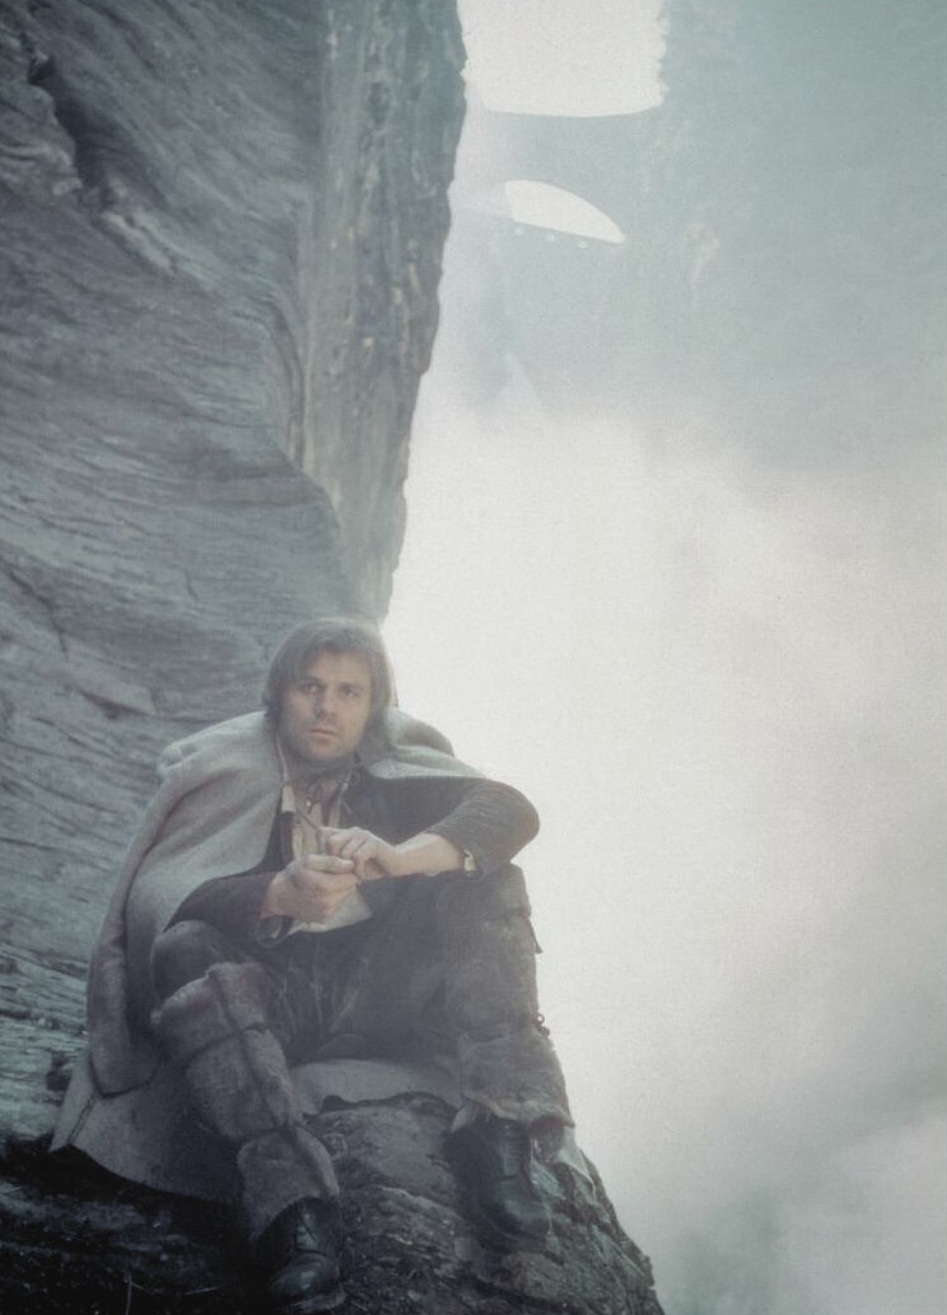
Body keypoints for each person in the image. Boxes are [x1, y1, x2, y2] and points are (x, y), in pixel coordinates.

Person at [53, 617, 571, 1314]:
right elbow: (161, 900)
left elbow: (508, 810)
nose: (327, 708)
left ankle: (497, 1122)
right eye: (311, 687)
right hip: (278, 1004)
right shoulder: (225, 766)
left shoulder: (398, 759)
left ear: (373, 703)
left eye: (349, 692)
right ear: (280, 694)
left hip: (382, 995)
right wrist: (276, 892)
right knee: (185, 951)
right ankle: (289, 1206)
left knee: (487, 878)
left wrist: (399, 857)